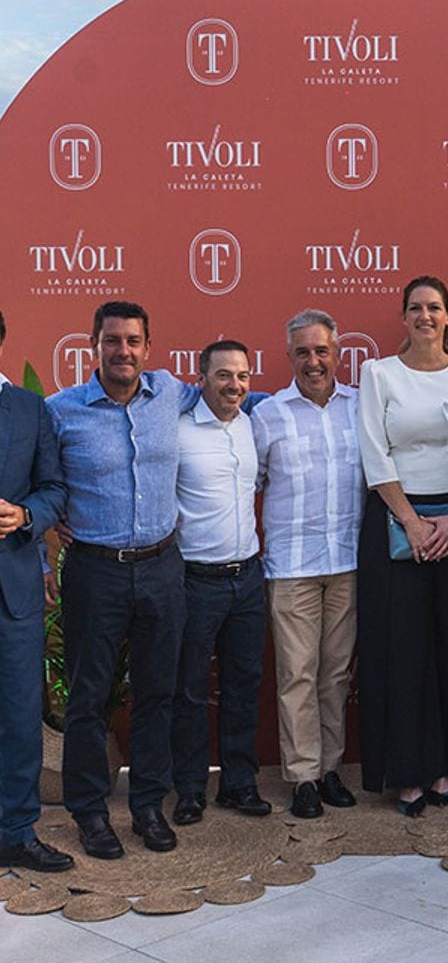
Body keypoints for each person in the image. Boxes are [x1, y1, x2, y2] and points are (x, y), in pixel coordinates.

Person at [46, 301, 192, 857]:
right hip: (94, 571)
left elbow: (234, 396)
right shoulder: (61, 412)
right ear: (94, 346)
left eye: (133, 341)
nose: (123, 351)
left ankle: (149, 806)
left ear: (147, 348)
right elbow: (43, 481)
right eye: (112, 341)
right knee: (88, 698)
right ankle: (90, 814)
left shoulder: (173, 393)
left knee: (158, 692)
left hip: (161, 566)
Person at [357, 276, 448, 816]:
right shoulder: (378, 374)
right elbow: (375, 452)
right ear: (403, 316)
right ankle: (407, 774)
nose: (425, 316)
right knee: (403, 651)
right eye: (415, 308)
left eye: (434, 307)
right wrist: (414, 523)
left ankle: (444, 767)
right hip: (398, 520)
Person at [252, 309, 364, 820]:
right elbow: (244, 481)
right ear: (289, 356)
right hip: (292, 566)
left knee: (335, 674)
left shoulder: (361, 408)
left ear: (338, 353)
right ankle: (301, 777)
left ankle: (330, 770)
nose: (313, 361)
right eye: (303, 352)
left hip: (346, 560)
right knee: (297, 673)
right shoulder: (268, 415)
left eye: (322, 351)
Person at [171, 341, 271, 826]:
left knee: (242, 686)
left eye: (243, 376)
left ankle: (238, 784)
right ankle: (190, 789)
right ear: (201, 377)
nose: (235, 385)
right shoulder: (178, 430)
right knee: (188, 690)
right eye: (224, 375)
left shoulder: (255, 421)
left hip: (248, 577)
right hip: (194, 579)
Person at [0, 309, 72, 873]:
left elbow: (54, 488)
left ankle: (16, 832)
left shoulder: (29, 409)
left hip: (13, 589)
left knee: (19, 716)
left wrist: (25, 513)